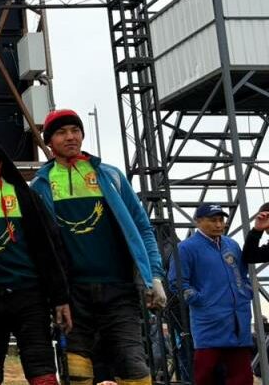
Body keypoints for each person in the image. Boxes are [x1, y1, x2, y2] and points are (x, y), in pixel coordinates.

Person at [31, 109, 167, 385]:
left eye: (75, 130)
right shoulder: (39, 186)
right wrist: (53, 295)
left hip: (119, 289)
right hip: (72, 295)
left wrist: (154, 275)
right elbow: (39, 247)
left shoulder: (111, 175)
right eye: (61, 132)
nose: (70, 137)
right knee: (76, 372)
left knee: (133, 366)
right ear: (49, 142)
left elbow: (142, 227)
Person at [0, 137, 72, 385]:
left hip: (28, 295)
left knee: (41, 368)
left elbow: (49, 248)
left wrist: (60, 297)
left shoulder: (25, 196)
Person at [169, 204, 254, 385]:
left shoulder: (232, 245)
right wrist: (201, 300)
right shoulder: (186, 248)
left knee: (242, 377)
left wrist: (246, 292)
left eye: (221, 220)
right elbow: (177, 282)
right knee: (206, 376)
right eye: (213, 220)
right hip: (209, 324)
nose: (218, 224)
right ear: (198, 221)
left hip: (239, 322)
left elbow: (242, 274)